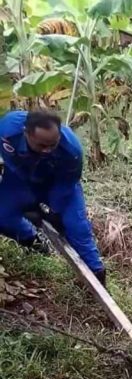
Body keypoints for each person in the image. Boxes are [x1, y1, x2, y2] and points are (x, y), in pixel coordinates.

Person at [0, 110, 105, 283]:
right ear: (26, 133)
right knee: (3, 216)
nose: (48, 150)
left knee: (76, 226)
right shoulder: (7, 129)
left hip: (57, 185)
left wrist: (54, 212)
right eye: (42, 145)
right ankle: (33, 242)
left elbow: (67, 183)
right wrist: (29, 204)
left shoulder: (71, 149)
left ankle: (96, 273)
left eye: (53, 144)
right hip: (19, 181)